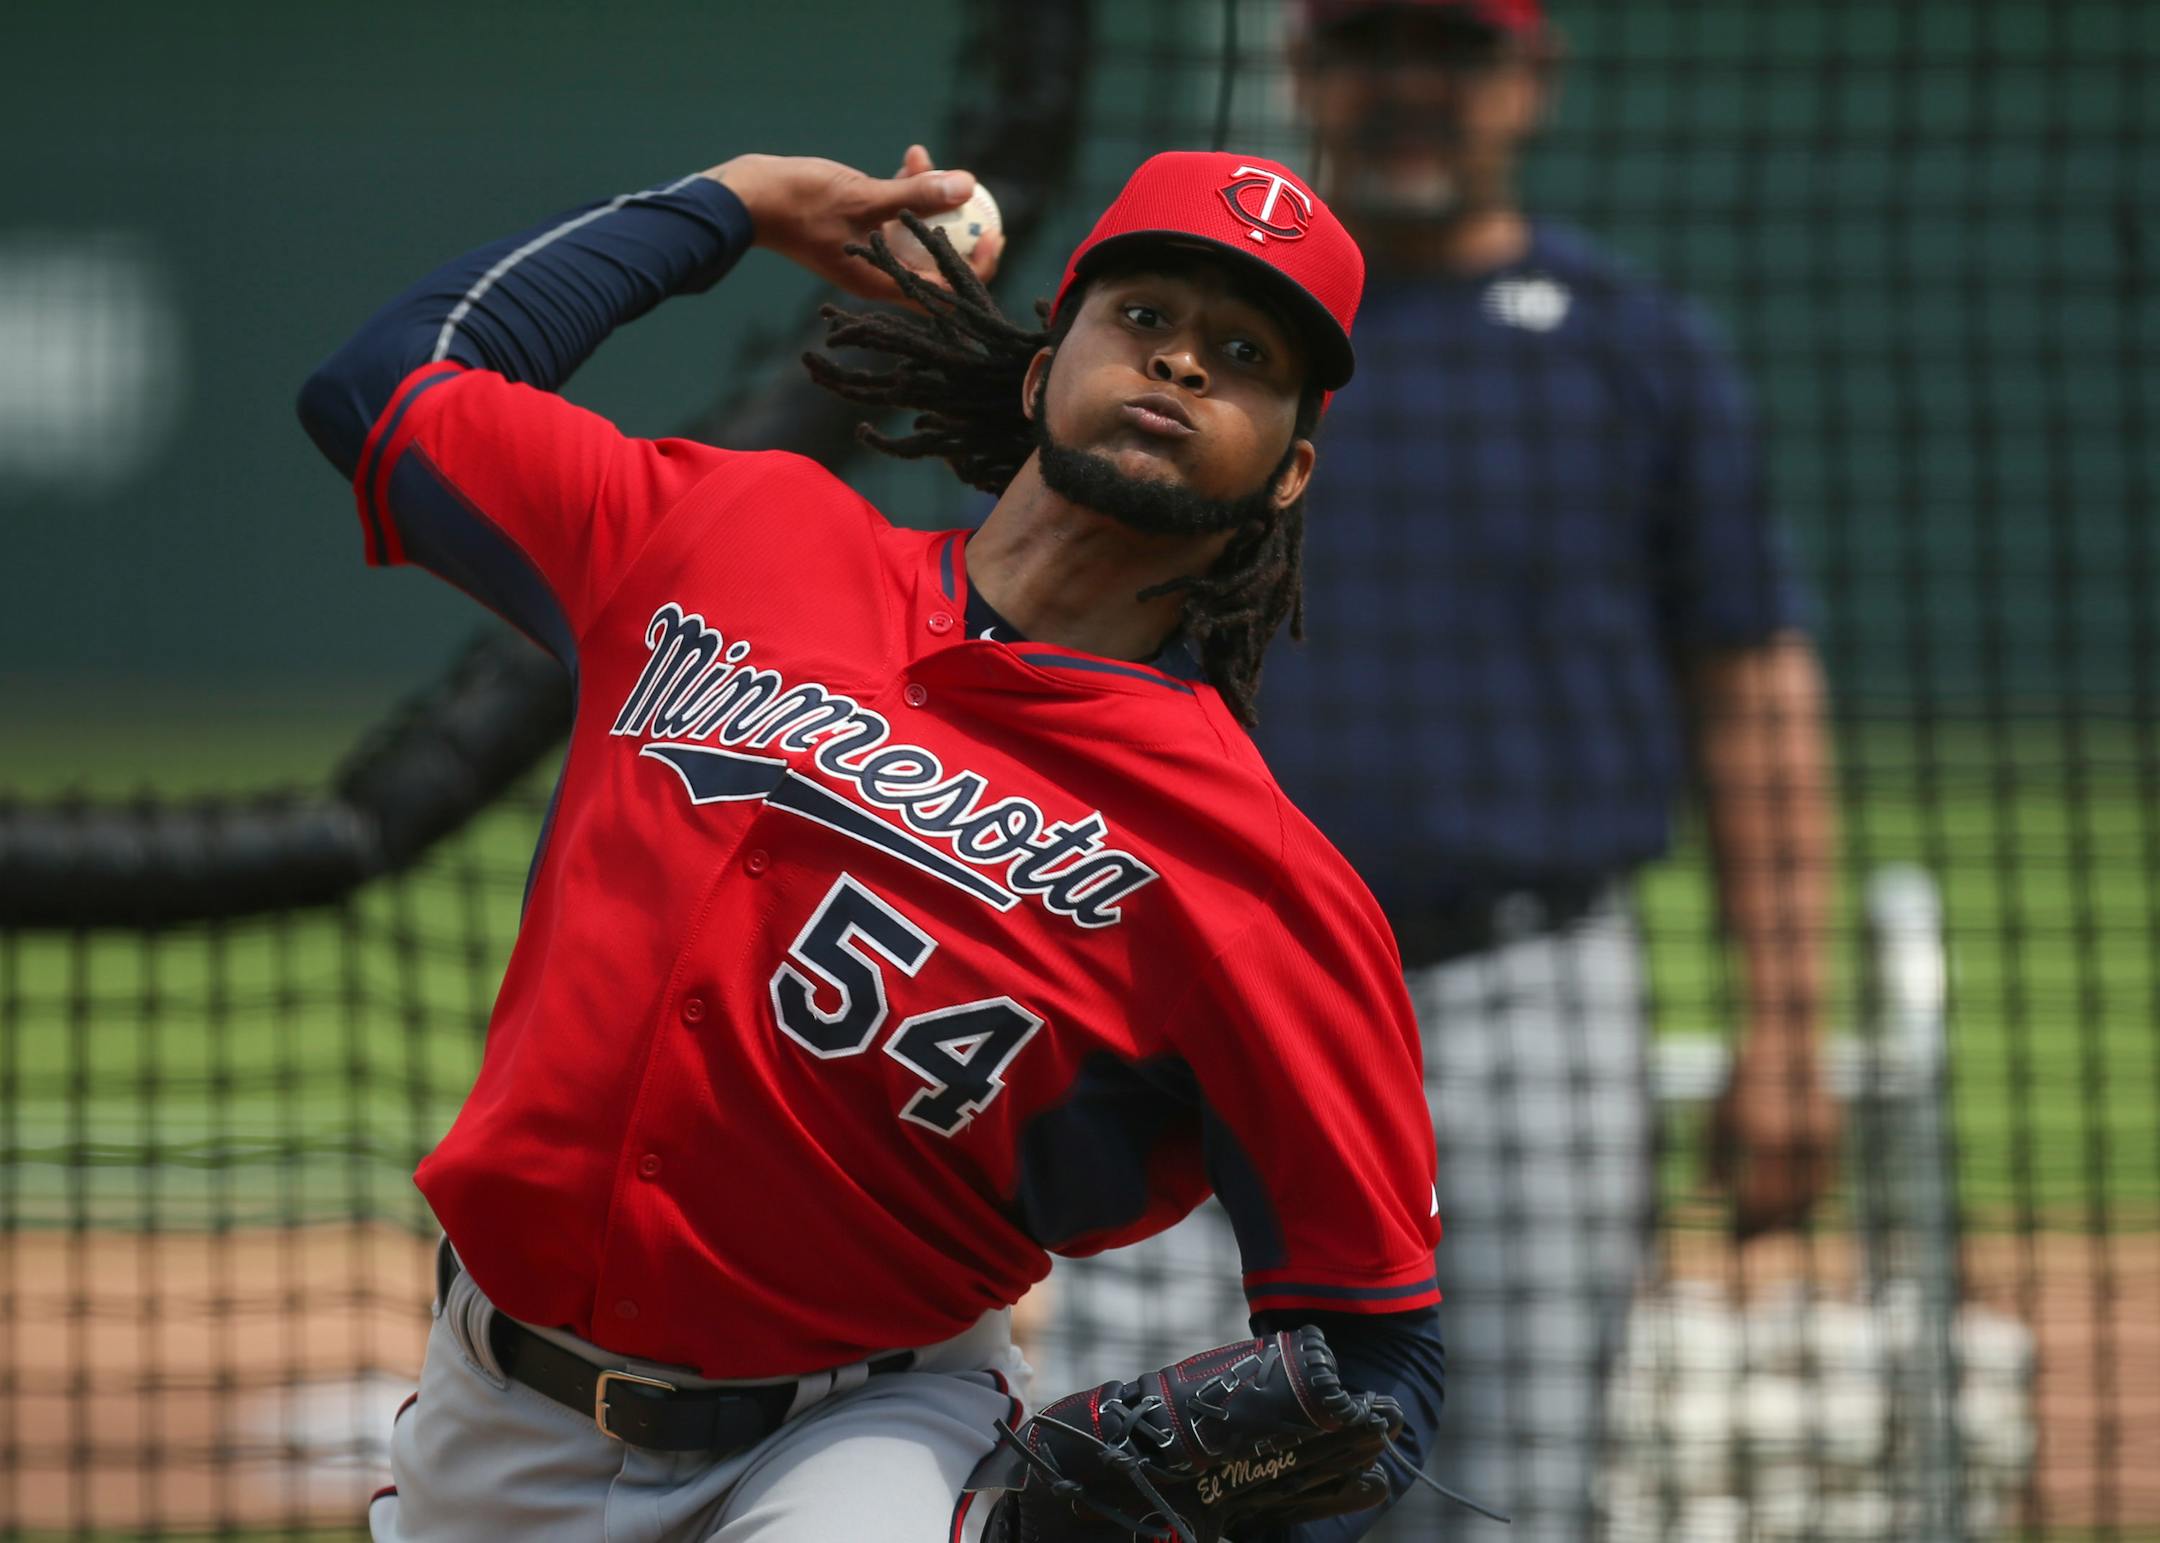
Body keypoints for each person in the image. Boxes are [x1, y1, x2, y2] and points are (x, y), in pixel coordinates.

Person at [298, 143, 1450, 1542]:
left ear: (1289, 474)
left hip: (857, 1446)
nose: (1184, 366)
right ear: (1041, 373)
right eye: (1143, 319)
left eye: (1246, 355)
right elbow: (381, 392)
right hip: (493, 1418)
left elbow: (1376, 1363)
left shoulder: (1250, 877)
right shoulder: (726, 531)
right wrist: (735, 206)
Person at [1255, 2, 1840, 1537]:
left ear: (1532, 78)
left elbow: (1753, 680)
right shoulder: (1219, 335)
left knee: (1511, 1488)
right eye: (1371, 46)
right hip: (1222, 995)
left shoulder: (1633, 348)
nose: (1409, 89)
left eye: (1454, 49)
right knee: (1160, 1461)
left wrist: (1788, 1026)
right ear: (1305, 71)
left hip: (1535, 996)